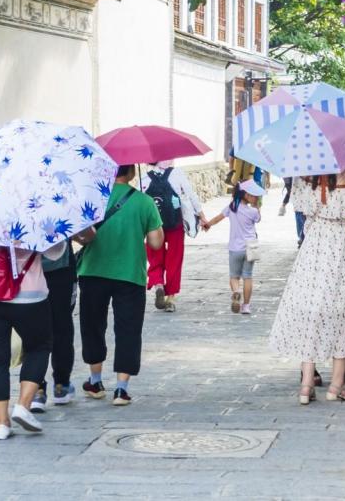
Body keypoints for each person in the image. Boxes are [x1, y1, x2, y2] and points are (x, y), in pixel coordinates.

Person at [0, 234, 71, 440]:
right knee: (39, 347)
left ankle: (1, 423)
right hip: (30, 296)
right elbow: (55, 253)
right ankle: (23, 406)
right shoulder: (34, 209)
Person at [269, 167, 345, 404]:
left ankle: (306, 386)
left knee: (310, 311)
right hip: (341, 243)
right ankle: (336, 386)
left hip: (314, 243)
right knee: (342, 311)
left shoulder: (303, 177)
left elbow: (302, 210)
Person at [75, 165, 164, 405]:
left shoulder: (93, 199)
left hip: (93, 272)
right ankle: (121, 389)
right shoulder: (144, 202)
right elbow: (156, 244)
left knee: (93, 325)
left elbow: (77, 233)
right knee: (128, 329)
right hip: (130, 274)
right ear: (132, 173)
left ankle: (95, 382)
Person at [140, 159, 202, 313]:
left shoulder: (144, 178)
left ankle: (158, 283)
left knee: (155, 256)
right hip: (175, 223)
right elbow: (190, 194)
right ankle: (170, 299)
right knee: (174, 258)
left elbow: (140, 203)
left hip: (153, 225)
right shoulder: (177, 173)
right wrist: (202, 215)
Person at [201, 179, 263, 314]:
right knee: (248, 276)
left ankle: (236, 292)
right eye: (253, 195)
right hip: (251, 246)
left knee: (234, 276)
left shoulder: (232, 207)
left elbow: (218, 218)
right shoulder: (253, 211)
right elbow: (258, 218)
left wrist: (208, 225)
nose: (255, 197)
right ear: (246, 195)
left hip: (235, 248)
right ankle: (246, 306)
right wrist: (257, 205)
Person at [31, 239, 79, 411]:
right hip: (61, 270)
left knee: (32, 328)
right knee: (62, 326)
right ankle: (61, 385)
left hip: (28, 270)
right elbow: (85, 234)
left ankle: (36, 388)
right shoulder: (63, 210)